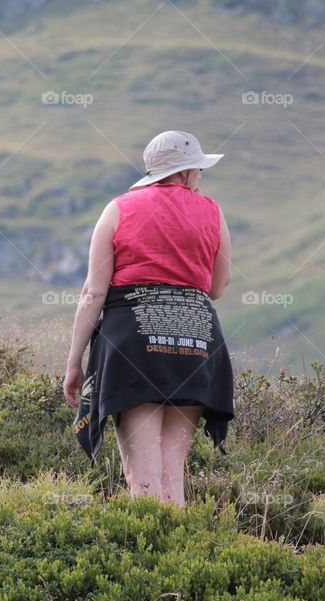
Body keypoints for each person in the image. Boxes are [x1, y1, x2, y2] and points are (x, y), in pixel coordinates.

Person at [63, 131, 234, 507]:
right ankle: (179, 556)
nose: (201, 177)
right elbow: (218, 287)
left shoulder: (118, 209)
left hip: (134, 347)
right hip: (196, 342)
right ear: (186, 173)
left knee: (141, 475)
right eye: (199, 169)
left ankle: (151, 557)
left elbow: (94, 292)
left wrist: (74, 362)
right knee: (173, 470)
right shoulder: (213, 211)